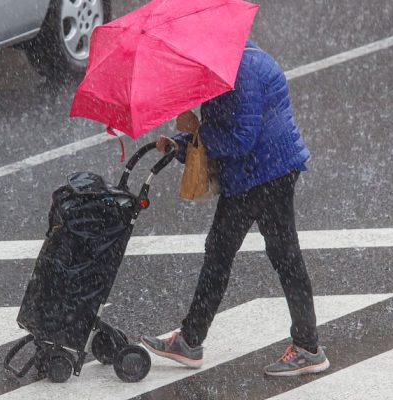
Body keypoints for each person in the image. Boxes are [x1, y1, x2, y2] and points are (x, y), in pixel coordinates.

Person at [140, 39, 329, 377]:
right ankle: (193, 340)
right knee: (239, 253)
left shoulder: (242, 72)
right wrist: (183, 143)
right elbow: (226, 126)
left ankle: (307, 347)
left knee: (265, 255)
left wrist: (197, 133)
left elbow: (240, 137)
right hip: (257, 171)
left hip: (266, 172)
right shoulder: (223, 66)